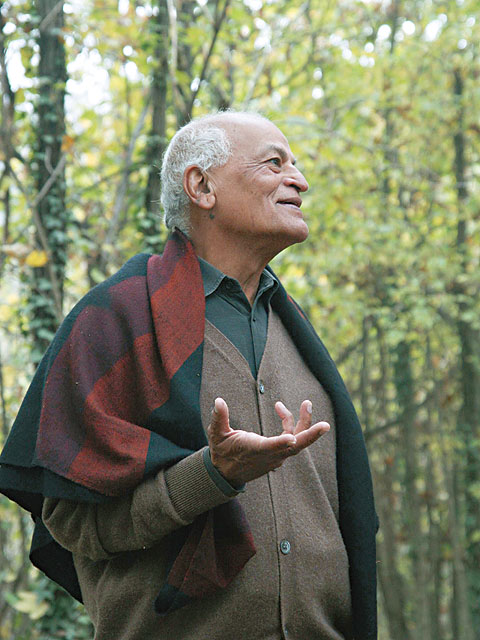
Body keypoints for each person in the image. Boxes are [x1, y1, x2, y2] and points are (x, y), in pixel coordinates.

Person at [0, 110, 377, 640]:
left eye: (295, 164)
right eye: (274, 163)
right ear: (201, 186)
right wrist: (210, 475)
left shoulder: (298, 334)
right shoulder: (116, 318)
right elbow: (72, 524)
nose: (300, 180)